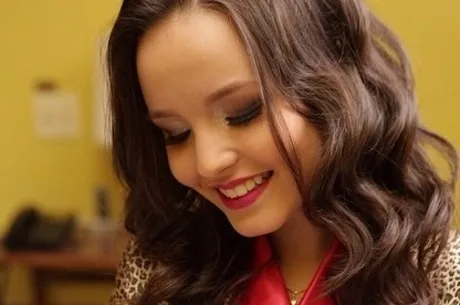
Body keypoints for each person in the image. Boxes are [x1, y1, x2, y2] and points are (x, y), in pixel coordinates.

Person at [106, 1, 459, 304]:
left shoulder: (436, 273)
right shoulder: (160, 272)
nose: (209, 163)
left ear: (334, 88)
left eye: (244, 112)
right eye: (176, 134)